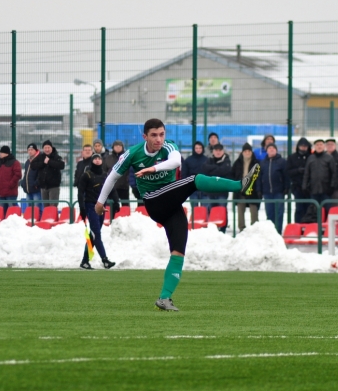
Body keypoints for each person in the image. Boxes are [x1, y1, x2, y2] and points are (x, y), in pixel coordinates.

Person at [96, 118, 260, 311]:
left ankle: (164, 298)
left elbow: (175, 162)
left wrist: (153, 168)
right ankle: (240, 185)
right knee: (195, 179)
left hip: (172, 205)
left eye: (162, 134)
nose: (159, 139)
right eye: (154, 135)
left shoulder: (169, 146)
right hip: (154, 201)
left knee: (179, 251)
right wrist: (100, 202)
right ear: (145, 136)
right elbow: (113, 176)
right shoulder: (133, 153)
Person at [78, 153, 119, 270]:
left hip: (101, 207)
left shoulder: (105, 175)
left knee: (94, 235)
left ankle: (85, 261)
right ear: (92, 161)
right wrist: (82, 207)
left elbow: (111, 189)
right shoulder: (86, 175)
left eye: (99, 158)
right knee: (96, 234)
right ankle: (105, 260)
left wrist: (116, 201)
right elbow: (80, 192)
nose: (97, 160)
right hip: (90, 205)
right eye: (95, 158)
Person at [256, 143, 289, 234]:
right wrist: (259, 189)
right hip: (267, 192)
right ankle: (271, 233)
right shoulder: (262, 163)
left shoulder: (282, 162)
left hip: (279, 192)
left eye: (273, 148)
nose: (271, 150)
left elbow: (286, 176)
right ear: (266, 151)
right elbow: (258, 177)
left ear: (276, 150)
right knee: (269, 214)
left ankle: (278, 232)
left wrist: (286, 187)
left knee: (279, 213)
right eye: (269, 148)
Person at [200, 143, 232, 233]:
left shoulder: (227, 160)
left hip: (222, 192)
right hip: (211, 192)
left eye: (220, 150)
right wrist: (217, 168)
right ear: (213, 151)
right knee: (210, 211)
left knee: (222, 210)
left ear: (223, 151)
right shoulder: (209, 160)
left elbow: (224, 171)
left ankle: (223, 229)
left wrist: (212, 171)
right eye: (216, 150)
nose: (218, 152)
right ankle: (212, 229)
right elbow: (204, 169)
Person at [303, 139, 337, 215]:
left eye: (321, 145)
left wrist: (332, 187)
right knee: (314, 210)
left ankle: (326, 226)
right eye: (317, 145)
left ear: (324, 146)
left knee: (328, 210)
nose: (319, 146)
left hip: (326, 190)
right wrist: (305, 186)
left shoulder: (329, 158)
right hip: (313, 190)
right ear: (314, 147)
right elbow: (307, 173)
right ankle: (315, 226)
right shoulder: (311, 158)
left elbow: (334, 173)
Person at [232, 143, 260, 232]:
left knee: (254, 210)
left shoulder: (256, 162)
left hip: (253, 189)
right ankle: (241, 229)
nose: (247, 153)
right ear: (242, 152)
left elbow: (259, 176)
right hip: (240, 189)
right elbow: (233, 175)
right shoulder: (237, 162)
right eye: (245, 151)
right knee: (240, 209)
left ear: (251, 152)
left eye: (249, 151)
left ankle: (255, 229)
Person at [31, 140, 65, 207]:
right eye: (45, 148)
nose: (47, 149)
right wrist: (43, 163)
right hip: (43, 186)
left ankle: (52, 217)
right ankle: (47, 217)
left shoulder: (56, 156)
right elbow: (33, 165)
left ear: (51, 148)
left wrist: (49, 162)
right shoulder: (40, 157)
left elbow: (61, 165)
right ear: (43, 149)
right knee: (46, 206)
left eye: (48, 147)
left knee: (53, 206)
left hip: (54, 186)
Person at [286, 137, 312, 223]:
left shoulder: (311, 157)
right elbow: (288, 172)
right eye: (302, 146)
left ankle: (307, 226)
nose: (303, 148)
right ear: (298, 146)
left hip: (309, 187)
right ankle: (298, 225)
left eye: (305, 146)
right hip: (297, 187)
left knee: (309, 208)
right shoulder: (292, 157)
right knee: (299, 208)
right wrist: (298, 170)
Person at [103, 140, 130, 208]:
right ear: (113, 147)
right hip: (112, 186)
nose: (118, 147)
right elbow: (104, 171)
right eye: (116, 146)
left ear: (122, 147)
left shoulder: (127, 157)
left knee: (125, 206)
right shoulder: (107, 158)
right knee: (111, 206)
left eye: (119, 146)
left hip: (124, 186)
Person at [181, 141, 208, 207]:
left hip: (204, 189)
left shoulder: (207, 160)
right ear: (194, 149)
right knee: (194, 210)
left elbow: (210, 173)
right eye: (196, 148)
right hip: (193, 188)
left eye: (200, 148)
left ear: (203, 149)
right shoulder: (188, 160)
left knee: (205, 210)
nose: (198, 150)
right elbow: (184, 174)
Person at [0, 146, 22, 215]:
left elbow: (18, 175)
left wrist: (10, 184)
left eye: (1, 152)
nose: (0, 154)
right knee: (1, 213)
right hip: (0, 193)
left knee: (12, 213)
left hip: (10, 193)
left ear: (6, 153)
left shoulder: (15, 163)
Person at [20, 143, 42, 214]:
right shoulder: (28, 162)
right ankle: (30, 222)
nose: (30, 151)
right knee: (29, 209)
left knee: (37, 208)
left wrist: (36, 184)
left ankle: (37, 221)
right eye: (28, 150)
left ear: (36, 150)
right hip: (28, 189)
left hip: (36, 189)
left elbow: (41, 174)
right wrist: (23, 183)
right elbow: (26, 174)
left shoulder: (40, 160)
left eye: (32, 150)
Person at [325, 138, 338, 208]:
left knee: (334, 206)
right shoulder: (322, 156)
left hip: (336, 187)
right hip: (324, 186)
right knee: (324, 206)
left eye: (332, 144)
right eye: (328, 144)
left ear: (335, 146)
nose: (330, 146)